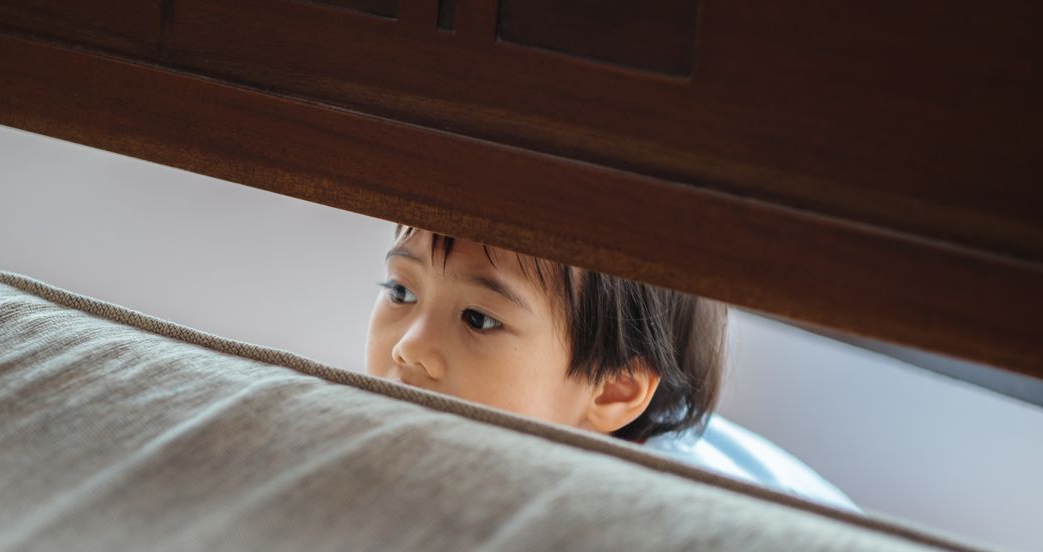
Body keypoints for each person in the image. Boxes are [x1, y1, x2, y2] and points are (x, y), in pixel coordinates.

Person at [365, 224, 860, 513]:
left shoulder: (660, 514)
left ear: (614, 390)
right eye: (400, 291)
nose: (409, 348)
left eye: (479, 319)